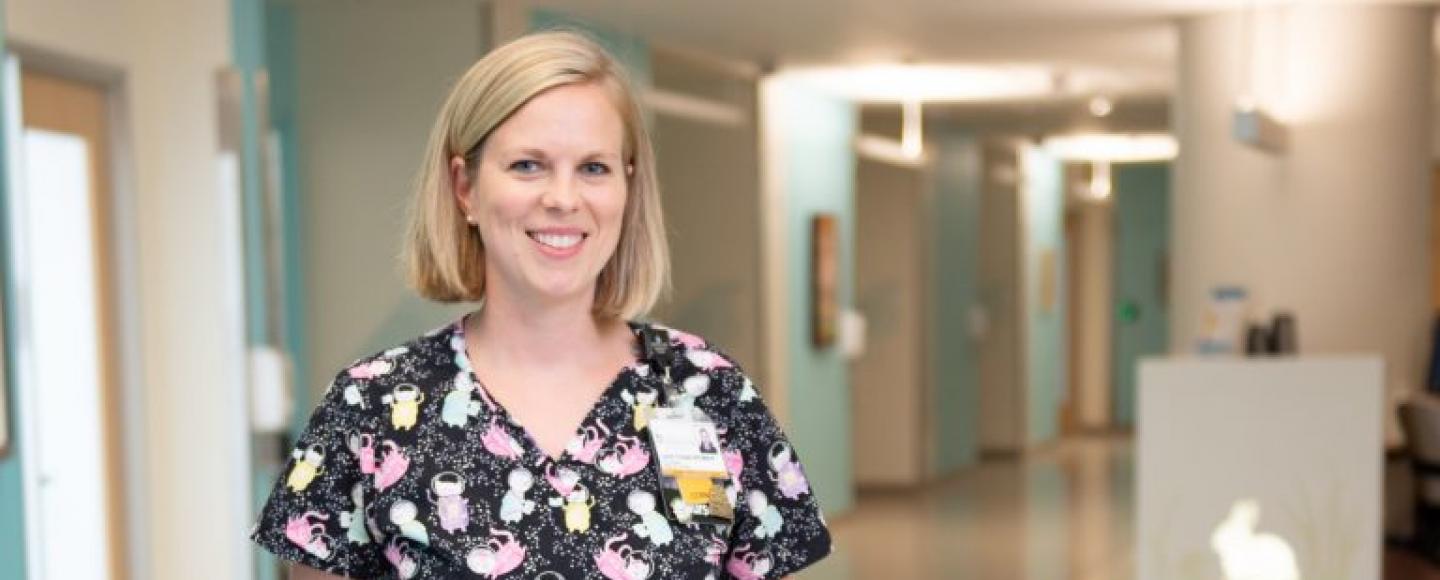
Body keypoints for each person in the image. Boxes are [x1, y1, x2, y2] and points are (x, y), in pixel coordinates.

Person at [250, 30, 831, 579]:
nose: (562, 198)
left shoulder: (705, 392)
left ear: (627, 188)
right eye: (528, 165)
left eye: (593, 168)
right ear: (465, 187)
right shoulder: (371, 408)